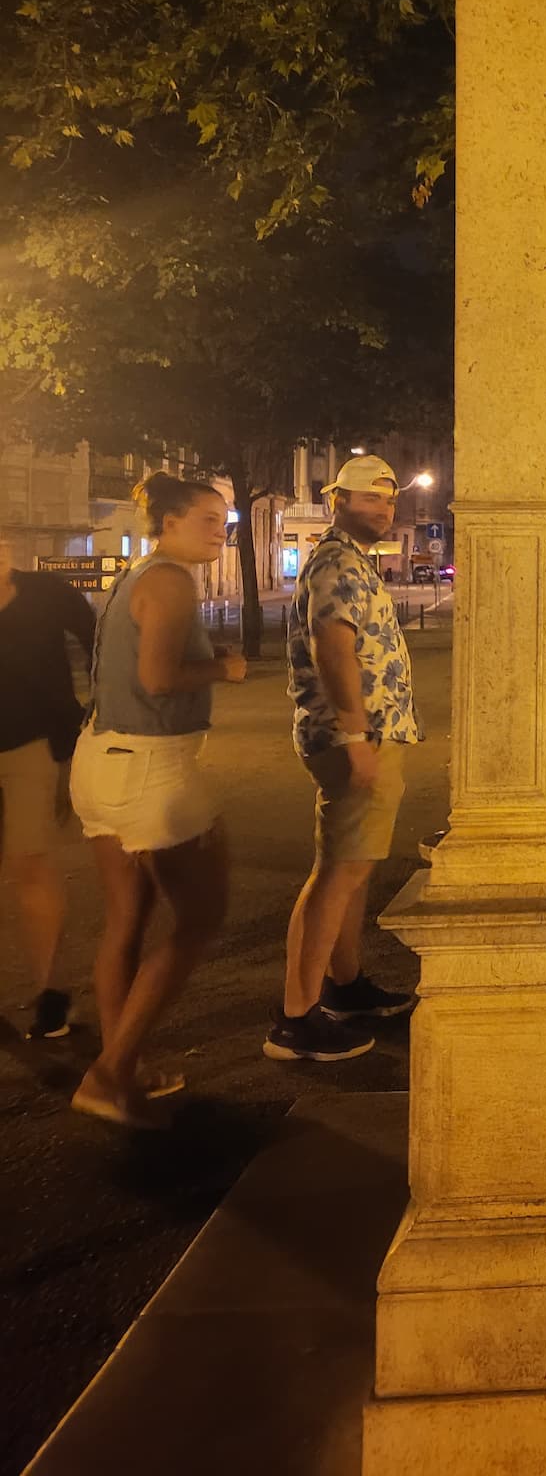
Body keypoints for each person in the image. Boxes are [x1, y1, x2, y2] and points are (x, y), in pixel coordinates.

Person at [69, 474, 246, 1128]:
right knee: (200, 918)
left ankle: (126, 1066)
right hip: (152, 766)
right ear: (168, 522)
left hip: (100, 757)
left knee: (126, 921)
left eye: (223, 519)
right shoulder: (171, 580)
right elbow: (158, 677)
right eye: (206, 518)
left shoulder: (135, 576)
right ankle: (111, 1074)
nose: (219, 531)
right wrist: (223, 669)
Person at [265, 454, 421, 1062]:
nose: (383, 510)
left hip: (366, 737)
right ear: (338, 502)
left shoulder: (351, 561)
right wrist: (356, 736)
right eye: (370, 500)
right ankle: (296, 1019)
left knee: (350, 868)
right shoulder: (335, 563)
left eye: (388, 501)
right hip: (356, 740)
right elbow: (335, 648)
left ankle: (346, 987)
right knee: (337, 874)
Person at [0, 531, 97, 1040]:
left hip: (31, 745)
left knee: (31, 862)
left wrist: (96, 711)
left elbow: (96, 640)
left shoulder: (45, 593)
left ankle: (51, 990)